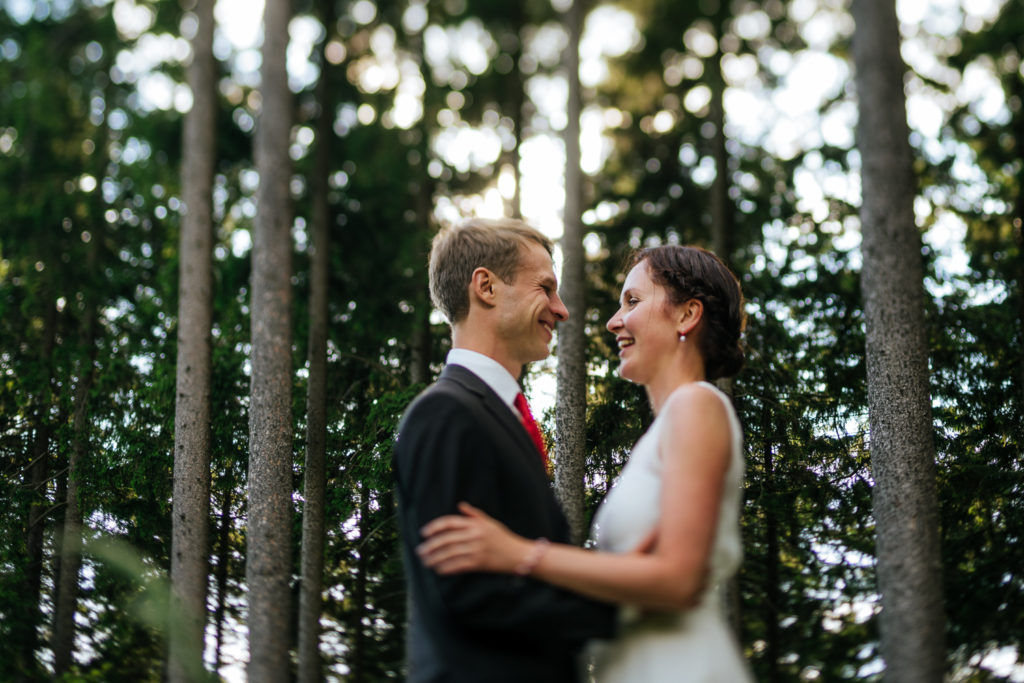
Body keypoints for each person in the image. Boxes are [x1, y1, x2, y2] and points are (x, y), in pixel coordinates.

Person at [417, 244, 753, 682]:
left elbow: (678, 580)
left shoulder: (696, 405)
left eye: (632, 301)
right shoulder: (659, 436)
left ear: (687, 315)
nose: (614, 321)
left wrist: (519, 554)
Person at [392, 217, 618, 683]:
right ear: (486, 287)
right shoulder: (444, 413)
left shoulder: (501, 415)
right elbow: (466, 591)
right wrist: (622, 608)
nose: (561, 310)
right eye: (546, 288)